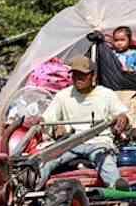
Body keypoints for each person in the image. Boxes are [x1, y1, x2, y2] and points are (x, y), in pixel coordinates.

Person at [38, 56, 131, 190]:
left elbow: (122, 114)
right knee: (46, 160)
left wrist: (122, 118)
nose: (78, 78)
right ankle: (29, 189)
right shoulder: (62, 96)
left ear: (93, 75)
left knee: (105, 160)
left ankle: (117, 187)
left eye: (82, 75)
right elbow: (46, 119)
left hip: (98, 142)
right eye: (75, 75)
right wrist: (47, 124)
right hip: (70, 143)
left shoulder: (106, 94)